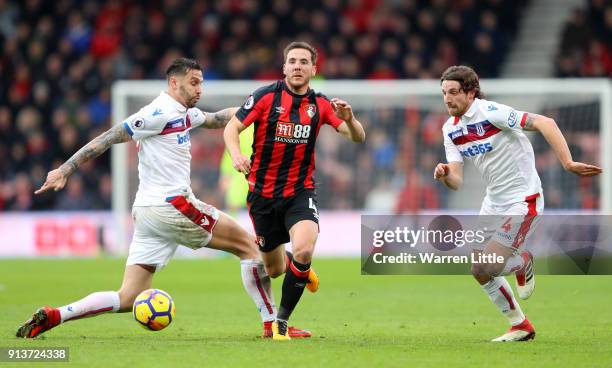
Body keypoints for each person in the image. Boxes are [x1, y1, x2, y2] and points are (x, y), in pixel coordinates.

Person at [16, 57, 310, 339]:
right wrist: (66, 169)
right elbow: (108, 137)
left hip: (147, 213)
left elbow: (217, 118)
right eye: (194, 83)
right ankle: (273, 325)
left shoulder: (184, 113)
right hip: (172, 205)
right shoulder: (156, 114)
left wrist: (262, 107)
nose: (199, 89)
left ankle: (56, 315)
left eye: (201, 83)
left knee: (129, 297)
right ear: (173, 83)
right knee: (250, 247)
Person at [434, 65, 602, 342]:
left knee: (491, 265)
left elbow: (545, 122)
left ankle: (522, 261)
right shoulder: (450, 129)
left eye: (453, 92)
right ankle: (520, 326)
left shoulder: (491, 112)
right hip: (493, 203)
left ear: (471, 92)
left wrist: (568, 163)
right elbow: (457, 181)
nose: (447, 99)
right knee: (478, 270)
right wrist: (444, 175)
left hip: (523, 200)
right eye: (443, 93)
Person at [224, 41, 366, 340]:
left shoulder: (321, 104)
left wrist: (350, 118)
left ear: (314, 69)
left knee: (304, 248)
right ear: (284, 67)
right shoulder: (264, 97)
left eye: (304, 62)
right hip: (262, 195)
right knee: (274, 269)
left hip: (299, 191)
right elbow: (231, 128)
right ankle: (298, 269)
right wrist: (236, 154)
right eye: (292, 61)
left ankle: (281, 323)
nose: (298, 66)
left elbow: (357, 137)